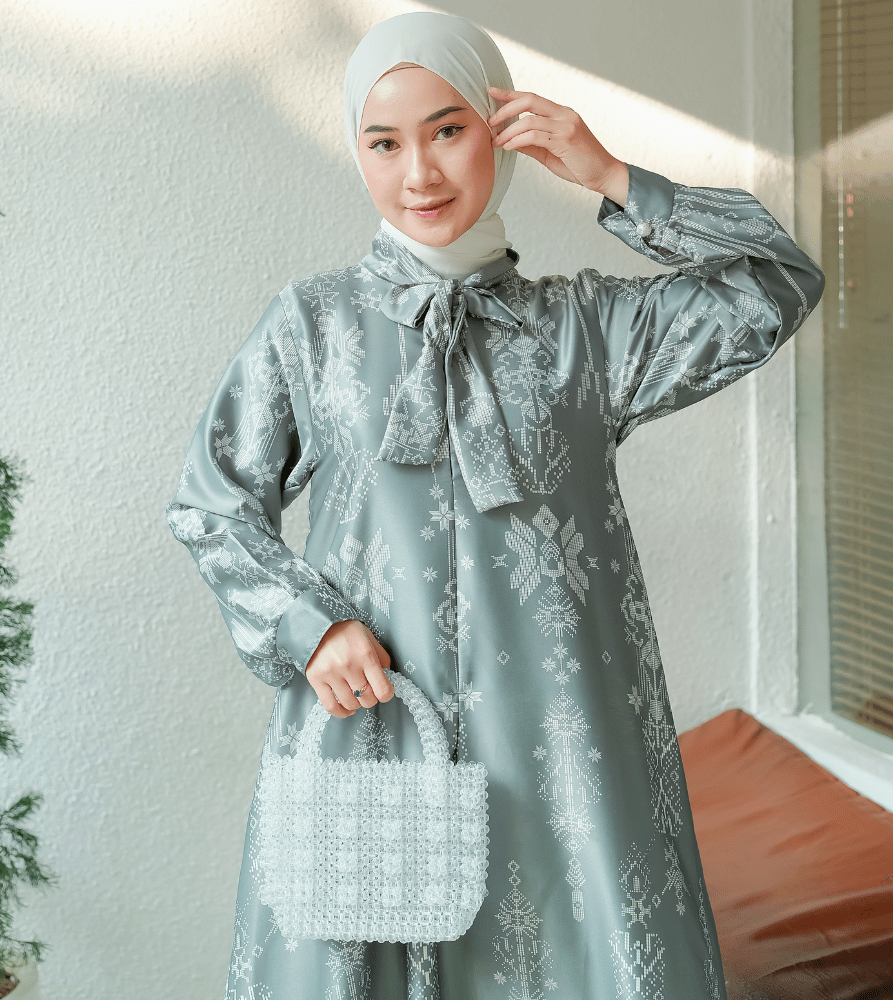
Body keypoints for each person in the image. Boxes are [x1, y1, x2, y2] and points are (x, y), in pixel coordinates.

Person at [166, 11, 824, 999]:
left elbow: (779, 283)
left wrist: (612, 175)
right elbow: (212, 503)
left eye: (447, 130)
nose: (419, 174)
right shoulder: (311, 328)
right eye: (383, 144)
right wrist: (311, 627)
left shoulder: (587, 330)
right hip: (375, 742)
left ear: (500, 128)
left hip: (565, 758)